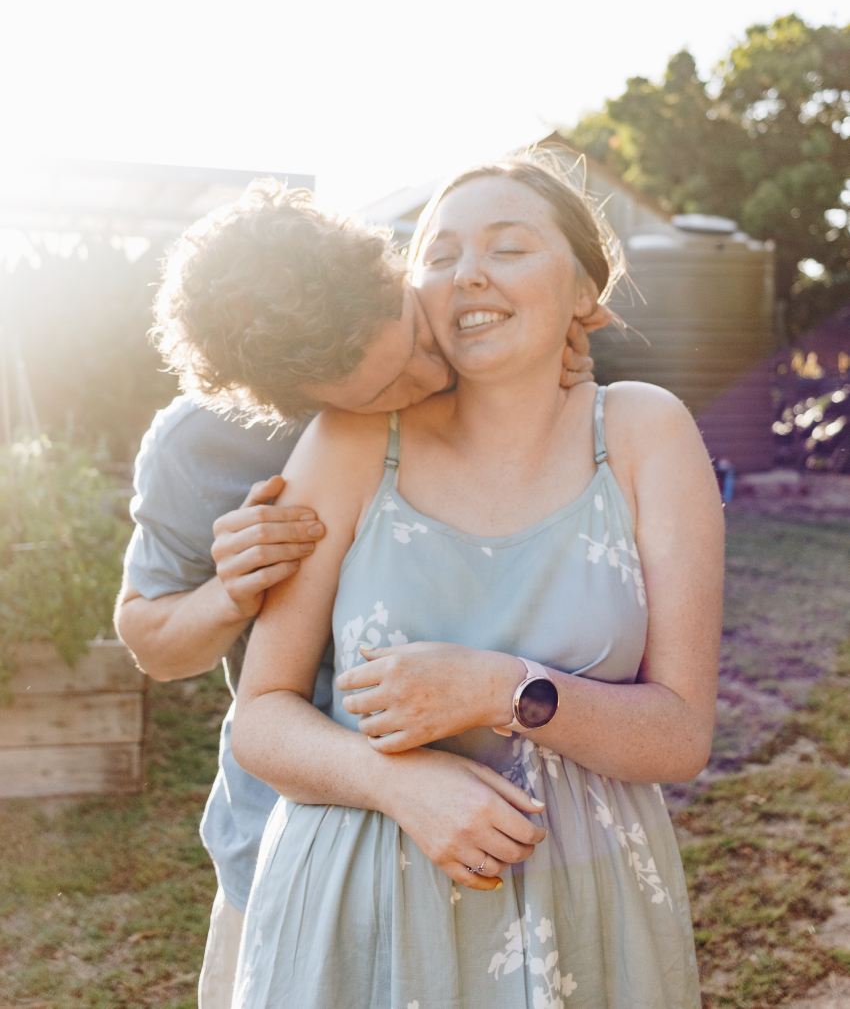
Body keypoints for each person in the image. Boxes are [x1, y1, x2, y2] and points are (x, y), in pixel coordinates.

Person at [228, 154, 724, 1008]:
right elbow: (260, 718)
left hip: (584, 912)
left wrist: (502, 688)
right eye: (440, 253)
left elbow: (680, 736)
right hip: (360, 910)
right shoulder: (352, 439)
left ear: (582, 291)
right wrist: (396, 780)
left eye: (509, 247)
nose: (469, 275)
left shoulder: (645, 432)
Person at [115, 178, 606, 1009]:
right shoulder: (195, 447)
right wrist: (232, 591)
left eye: (415, 336)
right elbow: (151, 640)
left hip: (507, 843)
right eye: (382, 391)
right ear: (287, 405)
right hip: (292, 839)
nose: (426, 373)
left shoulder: (464, 338)